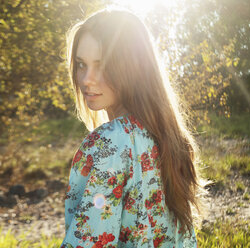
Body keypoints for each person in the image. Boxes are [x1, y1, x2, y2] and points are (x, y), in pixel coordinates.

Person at [61, 8, 202, 248]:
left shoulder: (107, 144)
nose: (86, 79)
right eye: (81, 64)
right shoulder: (170, 136)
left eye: (102, 65)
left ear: (132, 67)